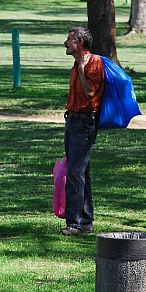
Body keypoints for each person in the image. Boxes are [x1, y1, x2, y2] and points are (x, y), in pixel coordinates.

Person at [61, 26, 104, 236]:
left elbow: (90, 93)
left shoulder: (93, 63)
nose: (65, 43)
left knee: (75, 174)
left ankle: (75, 224)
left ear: (80, 43)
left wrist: (81, 70)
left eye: (69, 40)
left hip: (85, 123)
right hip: (73, 121)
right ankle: (86, 221)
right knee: (81, 173)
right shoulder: (76, 63)